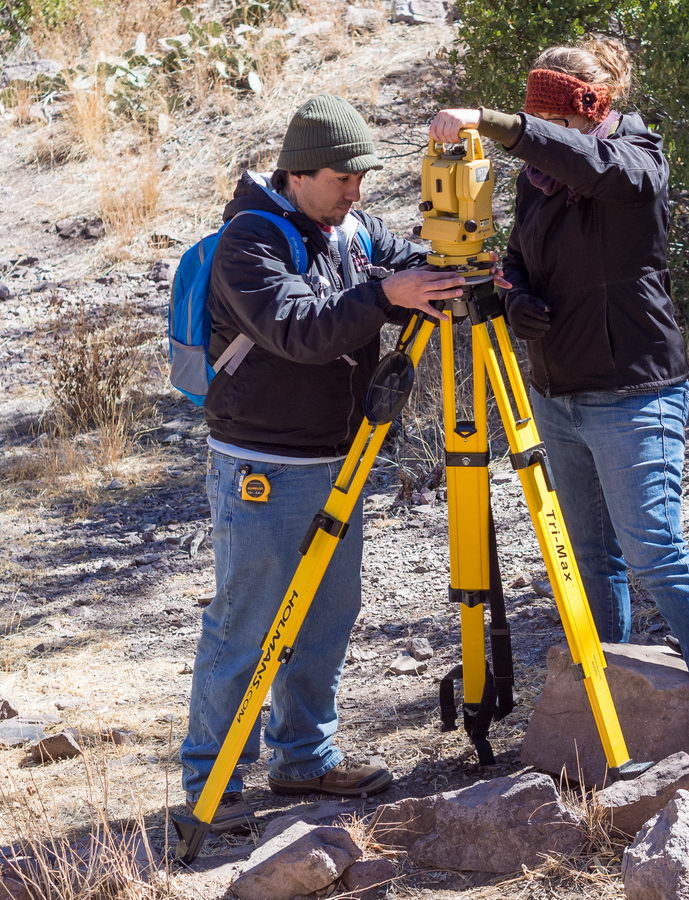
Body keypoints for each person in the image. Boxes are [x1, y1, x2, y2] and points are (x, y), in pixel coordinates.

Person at [429, 38, 689, 794]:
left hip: (634, 390)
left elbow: (596, 167)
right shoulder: (541, 180)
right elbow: (517, 255)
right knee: (589, 562)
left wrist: (497, 119)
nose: (542, 145)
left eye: (555, 118)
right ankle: (606, 710)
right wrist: (516, 296)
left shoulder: (635, 158)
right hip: (558, 393)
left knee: (656, 553)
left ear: (594, 104)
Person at [181, 94, 475, 832]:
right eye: (344, 179)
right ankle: (212, 783)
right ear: (299, 175)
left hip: (338, 456)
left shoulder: (351, 229)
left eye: (362, 179)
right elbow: (298, 330)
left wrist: (442, 271)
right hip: (263, 462)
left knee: (327, 614)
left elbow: (406, 260)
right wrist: (386, 295)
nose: (358, 192)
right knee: (247, 621)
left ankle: (304, 758)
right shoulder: (249, 243)